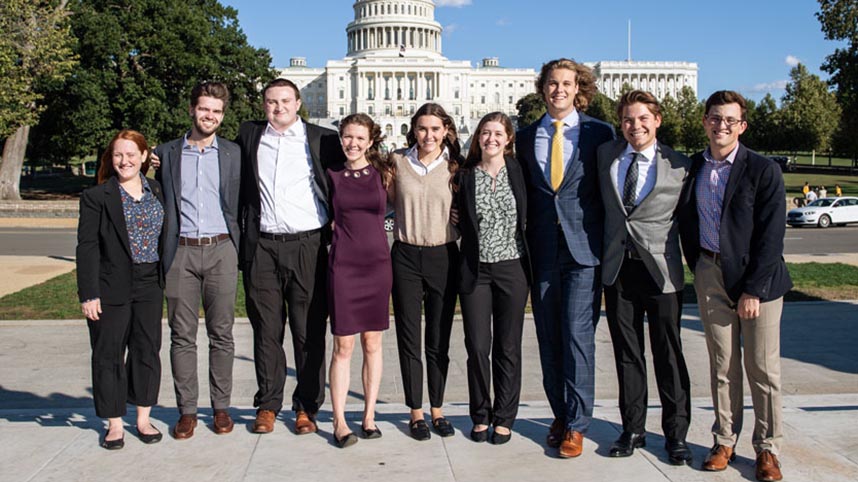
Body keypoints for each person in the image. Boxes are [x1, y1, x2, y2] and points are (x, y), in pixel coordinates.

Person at [679, 91, 792, 482]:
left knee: (761, 368)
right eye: (715, 118)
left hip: (757, 280)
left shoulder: (762, 170)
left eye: (730, 120)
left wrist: (754, 290)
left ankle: (767, 448)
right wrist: (697, 263)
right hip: (710, 274)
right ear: (706, 121)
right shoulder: (694, 167)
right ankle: (725, 439)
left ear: (741, 126)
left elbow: (771, 237)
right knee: (722, 366)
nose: (721, 125)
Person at [515, 58, 614, 458]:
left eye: (567, 84)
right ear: (543, 89)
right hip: (541, 250)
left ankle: (577, 423)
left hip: (582, 250)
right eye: (552, 83)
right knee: (548, 338)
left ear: (579, 89)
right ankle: (559, 413)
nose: (559, 90)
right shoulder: (523, 137)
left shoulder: (599, 134)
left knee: (577, 337)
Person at [237, 78, 345, 434]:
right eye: (271, 101)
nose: (278, 107)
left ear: (298, 103)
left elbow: (352, 173)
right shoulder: (250, 136)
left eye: (285, 101)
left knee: (308, 330)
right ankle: (268, 404)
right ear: (263, 105)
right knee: (266, 329)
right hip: (263, 245)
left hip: (307, 245)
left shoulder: (323, 139)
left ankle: (307, 407)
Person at [597, 90, 693, 465]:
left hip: (661, 272)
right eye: (627, 120)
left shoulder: (681, 164)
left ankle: (676, 434)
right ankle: (633, 428)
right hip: (619, 268)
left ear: (657, 120)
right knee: (627, 355)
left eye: (641, 119)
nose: (634, 126)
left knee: (668, 355)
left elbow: (689, 220)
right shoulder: (607, 156)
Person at [153, 82, 241, 439]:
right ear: (191, 109)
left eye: (217, 111)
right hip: (181, 251)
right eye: (205, 109)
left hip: (222, 248)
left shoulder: (234, 153)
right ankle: (187, 410)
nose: (210, 116)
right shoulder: (167, 153)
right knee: (182, 336)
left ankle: (221, 408)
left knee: (222, 334)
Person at [76, 129, 166, 450]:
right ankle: (114, 423)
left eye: (131, 154)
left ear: (144, 156)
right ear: (110, 158)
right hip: (110, 284)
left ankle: (142, 418)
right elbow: (86, 247)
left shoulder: (157, 189)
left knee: (146, 350)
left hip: (149, 284)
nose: (124, 161)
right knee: (108, 354)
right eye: (118, 155)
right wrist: (88, 293)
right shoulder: (97, 197)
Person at [455, 112, 530, 445]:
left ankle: (504, 416)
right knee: (477, 346)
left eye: (498, 133)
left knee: (508, 346)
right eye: (485, 133)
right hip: (476, 269)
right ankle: (480, 414)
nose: (491, 139)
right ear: (477, 138)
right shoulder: (466, 176)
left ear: (509, 138)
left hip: (512, 267)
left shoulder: (520, 172)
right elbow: (455, 214)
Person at [389, 102, 462, 441]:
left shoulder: (456, 168)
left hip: (443, 256)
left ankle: (438, 408)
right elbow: (380, 202)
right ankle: (415, 411)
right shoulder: (397, 163)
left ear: (446, 129)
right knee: (408, 338)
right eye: (422, 128)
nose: (428, 135)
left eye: (435, 129)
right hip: (404, 254)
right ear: (413, 130)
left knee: (438, 339)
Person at [326, 113, 393, 448]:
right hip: (344, 265)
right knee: (343, 346)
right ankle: (339, 420)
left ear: (370, 141)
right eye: (347, 137)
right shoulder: (332, 174)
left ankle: (368, 416)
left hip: (378, 265)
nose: (352, 144)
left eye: (359, 138)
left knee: (372, 343)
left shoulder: (385, 173)